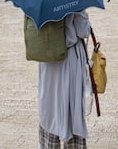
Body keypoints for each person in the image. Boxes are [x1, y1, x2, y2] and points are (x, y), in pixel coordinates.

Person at [38, 11, 92, 148]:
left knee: (49, 106)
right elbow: (83, 31)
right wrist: (85, 17)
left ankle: (49, 143)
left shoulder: (42, 0)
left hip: (47, 58)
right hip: (69, 58)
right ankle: (73, 143)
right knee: (71, 106)